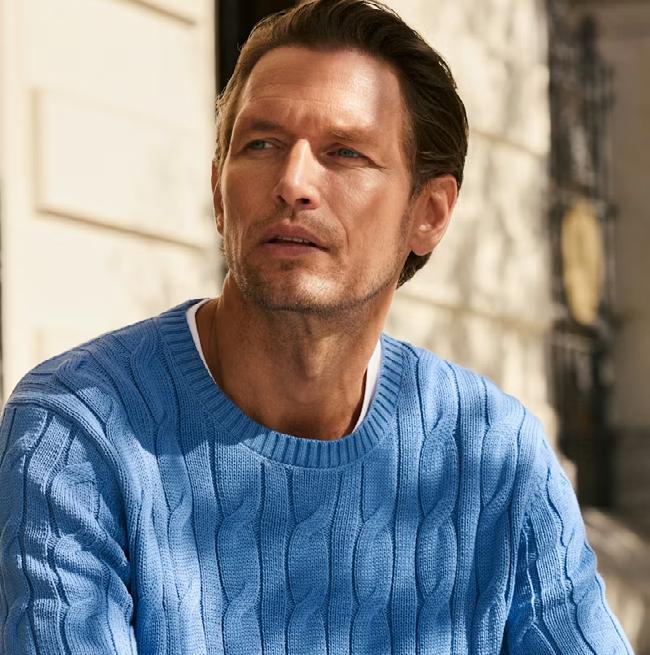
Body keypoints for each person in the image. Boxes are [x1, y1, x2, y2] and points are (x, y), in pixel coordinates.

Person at [0, 0, 633, 653]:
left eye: (345, 152)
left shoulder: (494, 454)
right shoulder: (80, 429)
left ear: (429, 213)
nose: (293, 182)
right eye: (261, 145)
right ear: (219, 193)